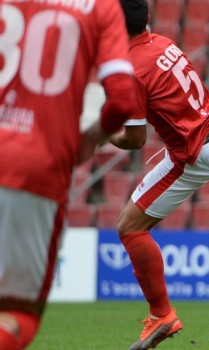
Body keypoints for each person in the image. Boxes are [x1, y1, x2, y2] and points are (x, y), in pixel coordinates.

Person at [113, 1, 209, 349]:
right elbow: (203, 105)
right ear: (148, 19)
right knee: (137, 224)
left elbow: (136, 139)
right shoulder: (164, 44)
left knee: (130, 228)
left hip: (194, 156)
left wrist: (103, 132)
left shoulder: (131, 68)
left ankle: (162, 315)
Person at [0, 0, 138, 349]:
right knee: (18, 312)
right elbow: (122, 100)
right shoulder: (102, 8)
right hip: (34, 168)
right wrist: (93, 137)